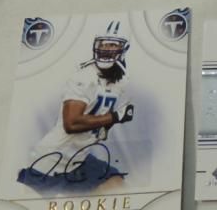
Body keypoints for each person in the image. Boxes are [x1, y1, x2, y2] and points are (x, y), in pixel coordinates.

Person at [17, 21, 135, 193]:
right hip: (51, 161)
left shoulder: (121, 79)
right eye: (103, 44)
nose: (106, 49)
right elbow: (71, 123)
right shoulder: (85, 77)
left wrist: (107, 124)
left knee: (117, 186)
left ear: (124, 49)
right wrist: (115, 117)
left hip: (79, 158)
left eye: (112, 45)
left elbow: (100, 113)